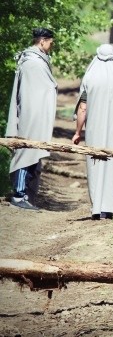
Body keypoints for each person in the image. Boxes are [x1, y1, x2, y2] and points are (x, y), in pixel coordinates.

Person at [72, 44, 113, 220]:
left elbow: (83, 108)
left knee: (98, 166)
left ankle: (101, 209)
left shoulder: (91, 78)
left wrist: (78, 131)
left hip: (96, 133)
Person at [5, 28, 58, 210]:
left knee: (32, 151)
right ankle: (19, 195)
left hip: (36, 113)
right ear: (42, 41)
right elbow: (32, 92)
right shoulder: (33, 63)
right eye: (50, 42)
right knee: (26, 152)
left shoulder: (36, 60)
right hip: (31, 114)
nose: (51, 46)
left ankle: (25, 194)